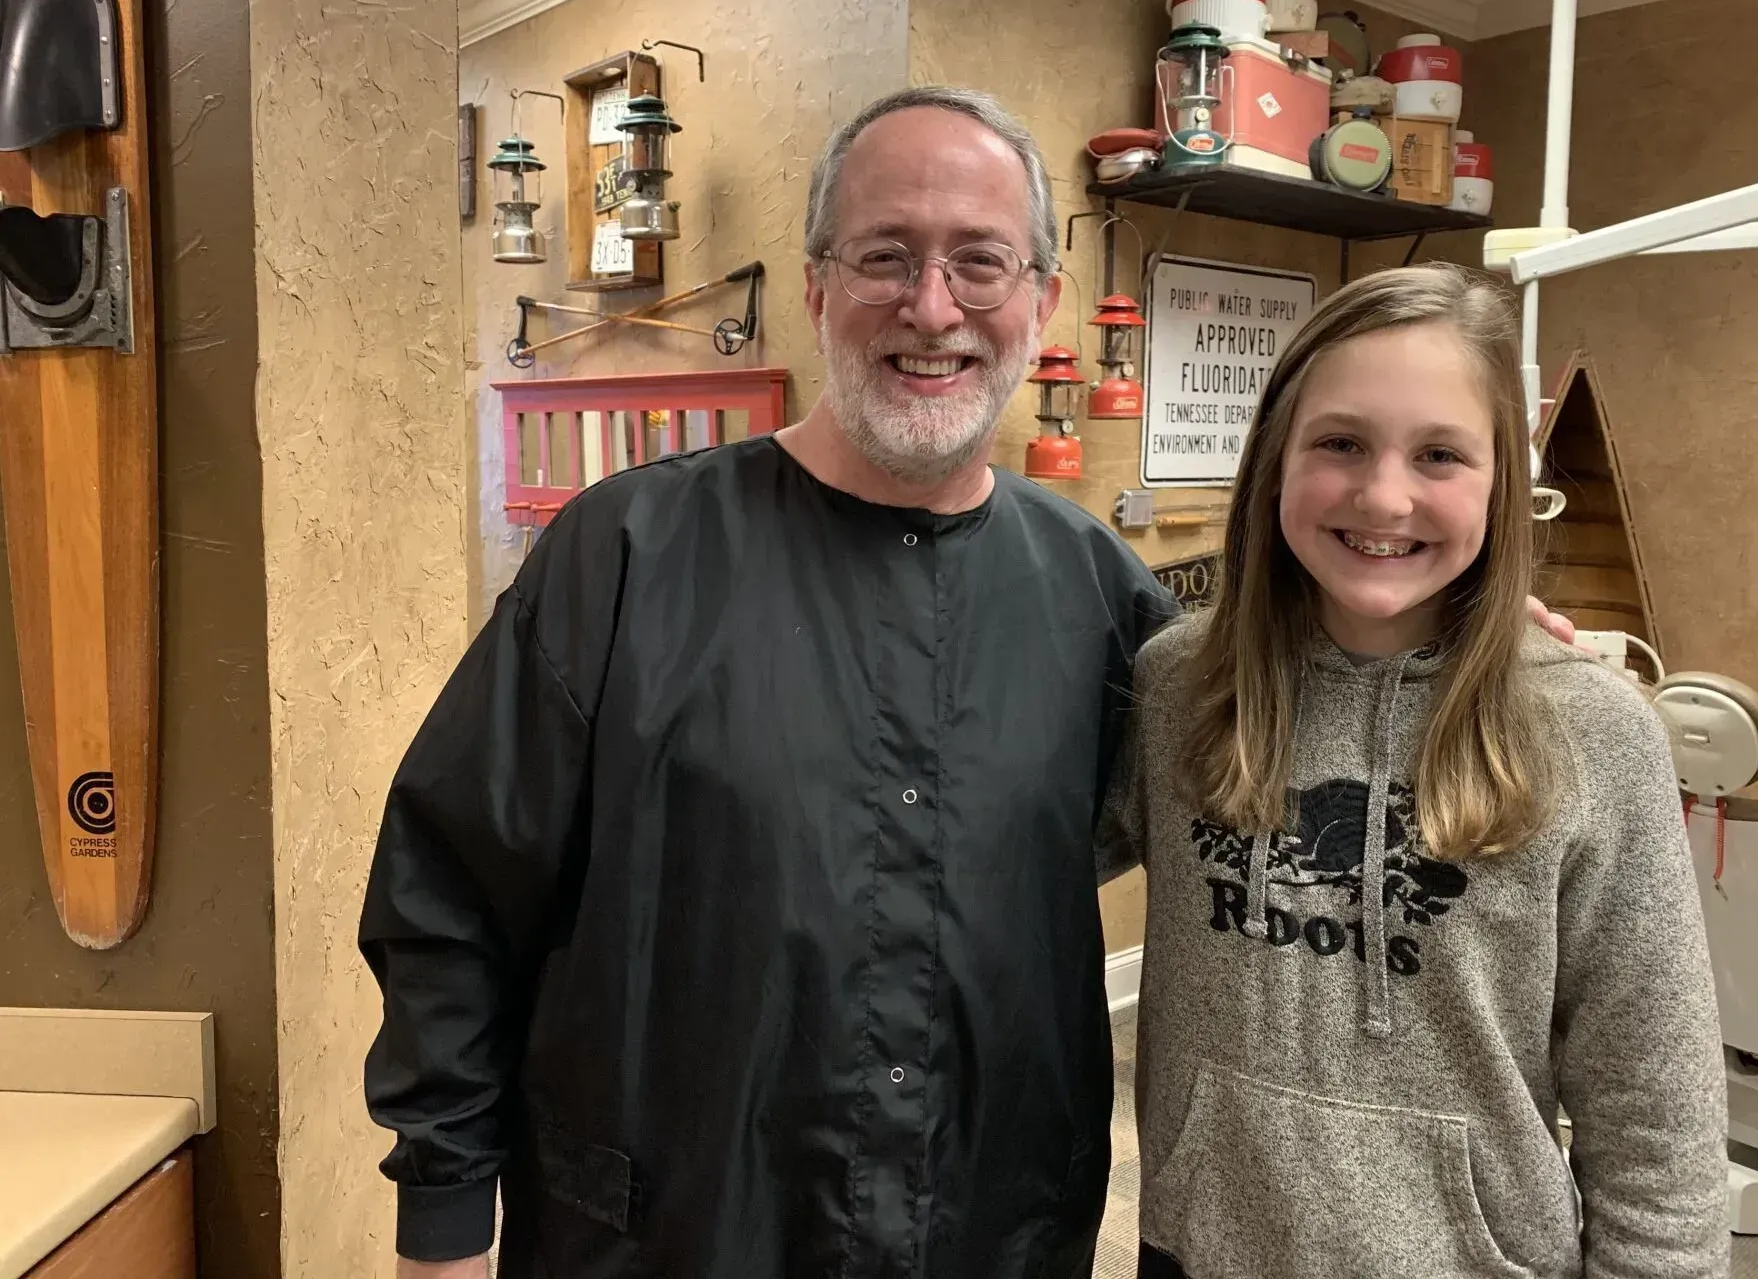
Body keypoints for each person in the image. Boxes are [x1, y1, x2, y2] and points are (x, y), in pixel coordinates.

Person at [357, 86, 1180, 1279]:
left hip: (990, 1232)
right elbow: (453, 887)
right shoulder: (625, 554)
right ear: (814, 286)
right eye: (885, 256)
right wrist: (442, 1219)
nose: (932, 306)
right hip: (670, 1236)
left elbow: (1275, 741)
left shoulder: (1097, 591)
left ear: (1042, 299)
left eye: (981, 263)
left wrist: (1456, 638)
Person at [1103, 265, 1728, 1278]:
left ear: (1501, 485)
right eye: (1341, 442)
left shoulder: (1590, 732)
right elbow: (1006, 841)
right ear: (1275, 463)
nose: (1384, 495)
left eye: (1440, 454)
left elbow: (1654, 1102)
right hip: (1201, 1246)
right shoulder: (1179, 684)